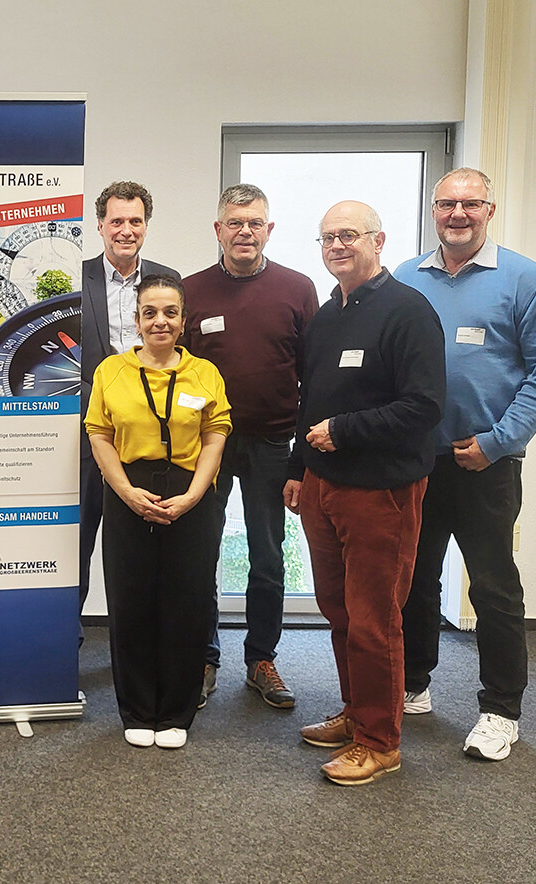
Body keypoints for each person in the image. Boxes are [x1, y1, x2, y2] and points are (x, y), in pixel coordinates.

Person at [285, 201, 445, 786]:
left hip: (383, 493)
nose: (337, 246)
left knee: (376, 620)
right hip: (325, 489)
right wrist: (300, 467)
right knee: (340, 612)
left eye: (348, 235)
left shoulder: (408, 310)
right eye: (327, 237)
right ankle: (358, 715)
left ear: (379, 239)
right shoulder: (328, 316)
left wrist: (345, 432)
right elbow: (311, 403)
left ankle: (381, 742)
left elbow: (425, 405)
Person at [395, 167, 536, 761]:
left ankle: (501, 709)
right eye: (447, 204)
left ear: (490, 210)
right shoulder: (406, 277)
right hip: (415, 461)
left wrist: (498, 442)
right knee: (414, 580)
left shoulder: (522, 277)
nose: (458, 214)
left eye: (470, 204)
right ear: (433, 209)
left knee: (493, 585)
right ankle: (413, 685)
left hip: (485, 460)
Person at [183, 184, 317, 710]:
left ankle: (261, 657)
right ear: (218, 230)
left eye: (255, 222)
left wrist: (303, 460)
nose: (245, 231)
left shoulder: (298, 288)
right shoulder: (190, 290)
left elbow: (314, 377)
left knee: (267, 555)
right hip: (207, 446)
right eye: (235, 222)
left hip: (273, 443)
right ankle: (203, 657)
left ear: (269, 229)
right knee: (201, 553)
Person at [85, 274, 231, 750]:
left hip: (190, 491)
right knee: (131, 601)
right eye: (150, 312)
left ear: (183, 320)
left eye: (170, 312)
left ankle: (175, 710)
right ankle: (138, 708)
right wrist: (124, 490)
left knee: (185, 601)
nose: (160, 321)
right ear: (137, 320)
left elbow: (216, 435)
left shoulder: (204, 374)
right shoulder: (111, 371)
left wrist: (194, 494)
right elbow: (98, 434)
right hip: (129, 489)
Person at [80, 182, 179, 628]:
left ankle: (144, 654)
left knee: (148, 556)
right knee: (75, 548)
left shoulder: (166, 281)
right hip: (87, 440)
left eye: (135, 221)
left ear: (146, 226)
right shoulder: (72, 279)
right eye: (116, 221)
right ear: (100, 225)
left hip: (149, 444)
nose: (125, 230)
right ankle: (69, 650)